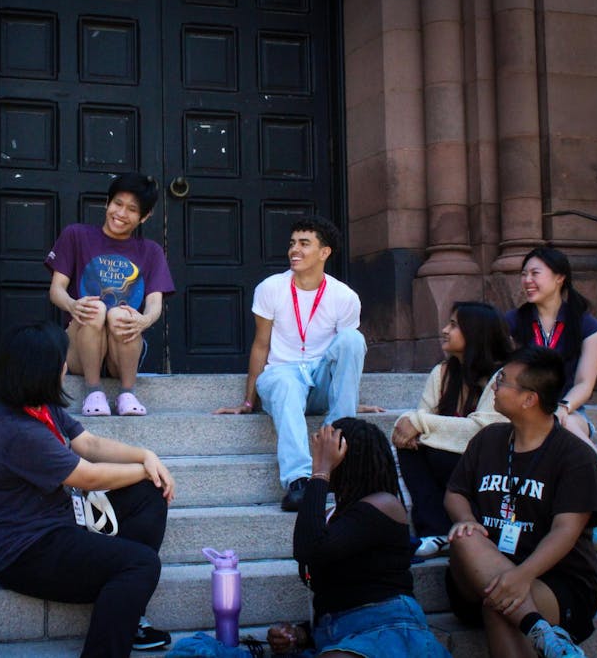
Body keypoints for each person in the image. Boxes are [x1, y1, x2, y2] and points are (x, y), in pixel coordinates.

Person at [0, 321, 176, 657]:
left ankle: (124, 603)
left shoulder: (35, 402)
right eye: (61, 359)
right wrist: (141, 469)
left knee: (149, 492)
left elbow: (90, 444)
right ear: (40, 370)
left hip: (59, 519)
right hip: (26, 551)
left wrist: (146, 456)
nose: (67, 365)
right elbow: (89, 477)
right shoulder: (16, 430)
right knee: (140, 565)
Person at [445, 346, 597, 658]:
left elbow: (564, 532)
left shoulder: (576, 457)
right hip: (480, 570)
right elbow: (455, 493)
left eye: (503, 381)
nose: (495, 387)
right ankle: (541, 633)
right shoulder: (488, 440)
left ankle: (534, 623)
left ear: (529, 399)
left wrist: (522, 576)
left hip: (555, 579)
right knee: (466, 538)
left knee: (501, 603)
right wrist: (467, 518)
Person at [214, 215, 367, 511]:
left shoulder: (345, 297)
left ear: (324, 252)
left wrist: (349, 397)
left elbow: (345, 357)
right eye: (292, 243)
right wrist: (248, 401)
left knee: (352, 340)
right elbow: (261, 345)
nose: (294, 250)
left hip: (319, 378)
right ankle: (299, 481)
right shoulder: (271, 288)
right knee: (284, 381)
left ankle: (338, 441)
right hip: (281, 377)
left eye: (304, 244)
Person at [268, 418, 450, 658]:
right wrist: (301, 633)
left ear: (347, 458)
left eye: (328, 450)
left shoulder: (385, 505)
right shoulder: (328, 516)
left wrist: (320, 471)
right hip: (336, 633)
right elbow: (333, 584)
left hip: (386, 627)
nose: (319, 454)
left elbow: (310, 550)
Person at [505, 245, 597, 552]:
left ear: (559, 278)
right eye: (524, 274)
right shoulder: (513, 323)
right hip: (524, 409)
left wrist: (561, 407)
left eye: (535, 273)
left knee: (569, 425)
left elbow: (585, 383)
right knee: (565, 427)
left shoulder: (586, 325)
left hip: (569, 409)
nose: (527, 280)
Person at [46, 172, 175, 417]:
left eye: (132, 209)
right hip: (78, 348)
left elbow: (155, 303)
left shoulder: (151, 251)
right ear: (107, 202)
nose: (121, 213)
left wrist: (144, 320)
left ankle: (127, 393)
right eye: (117, 204)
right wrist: (73, 305)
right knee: (96, 309)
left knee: (119, 314)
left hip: (122, 349)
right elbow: (56, 290)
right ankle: (93, 391)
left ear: (144, 216)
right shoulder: (76, 235)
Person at [393, 302, 512, 558]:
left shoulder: (503, 376)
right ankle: (434, 530)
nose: (445, 330)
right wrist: (413, 423)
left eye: (454, 325)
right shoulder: (443, 372)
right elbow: (420, 419)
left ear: (475, 332)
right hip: (452, 462)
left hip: (490, 467)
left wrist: (420, 423)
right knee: (409, 448)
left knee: (429, 444)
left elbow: (484, 430)